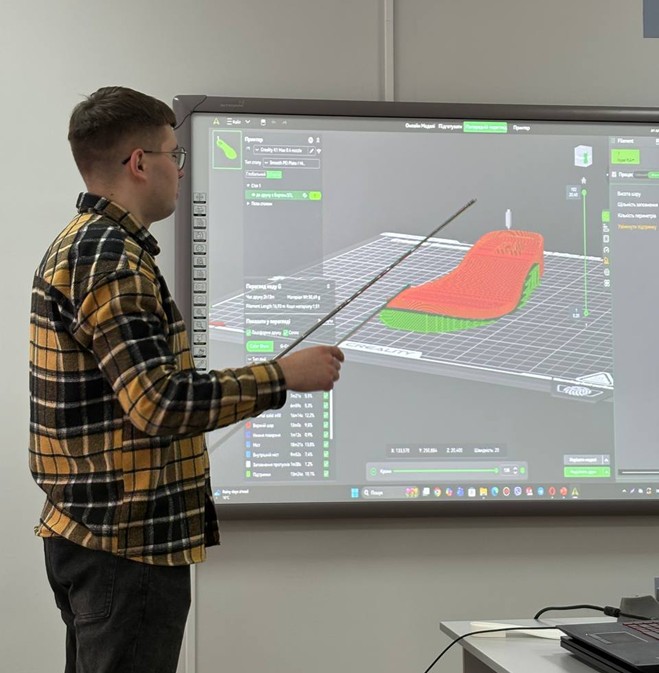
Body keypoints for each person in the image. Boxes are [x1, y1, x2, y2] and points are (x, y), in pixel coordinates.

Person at [29, 86, 344, 673]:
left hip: (96, 536)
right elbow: (157, 403)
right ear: (138, 162)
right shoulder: (110, 257)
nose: (179, 169)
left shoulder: (87, 244)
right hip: (126, 548)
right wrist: (281, 376)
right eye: (174, 154)